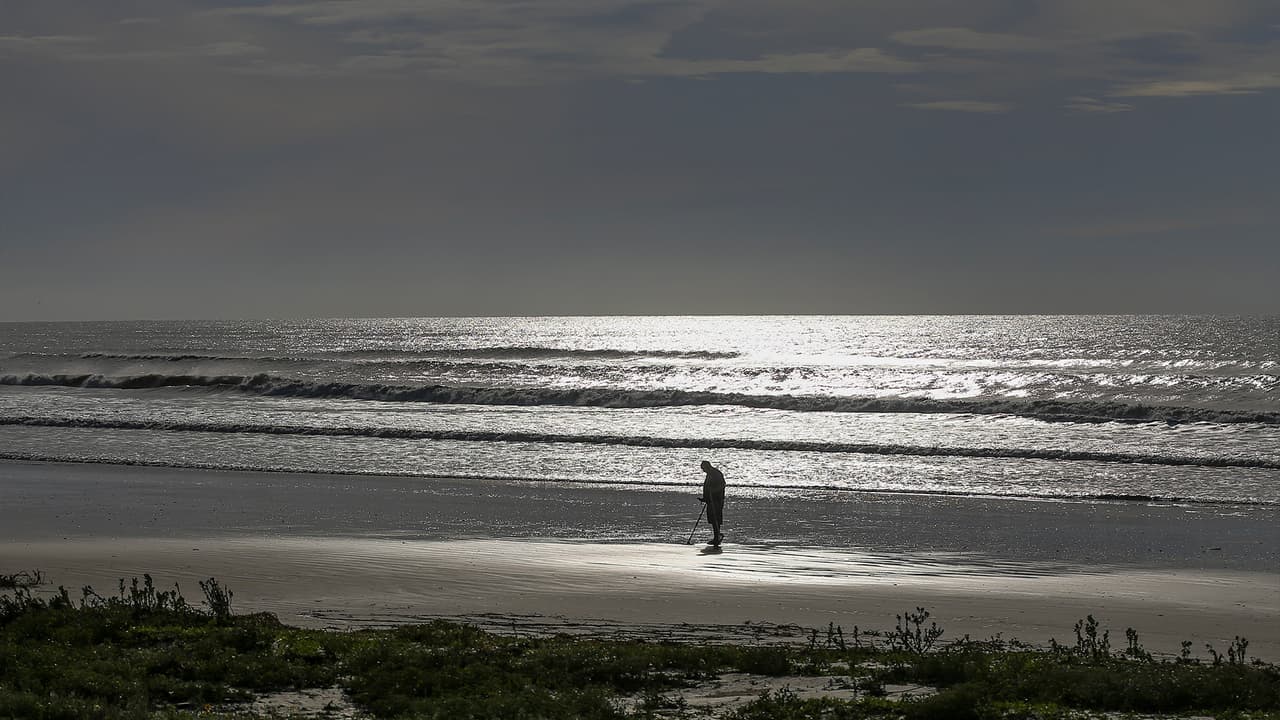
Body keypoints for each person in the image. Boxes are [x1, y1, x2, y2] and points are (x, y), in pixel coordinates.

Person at [698, 460, 726, 546]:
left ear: (707, 466)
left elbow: (722, 485)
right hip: (710, 500)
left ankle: (717, 537)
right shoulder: (709, 474)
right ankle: (716, 536)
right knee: (712, 519)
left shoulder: (716, 474)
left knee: (716, 518)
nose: (703, 471)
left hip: (717, 499)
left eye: (704, 469)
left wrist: (713, 492)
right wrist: (705, 498)